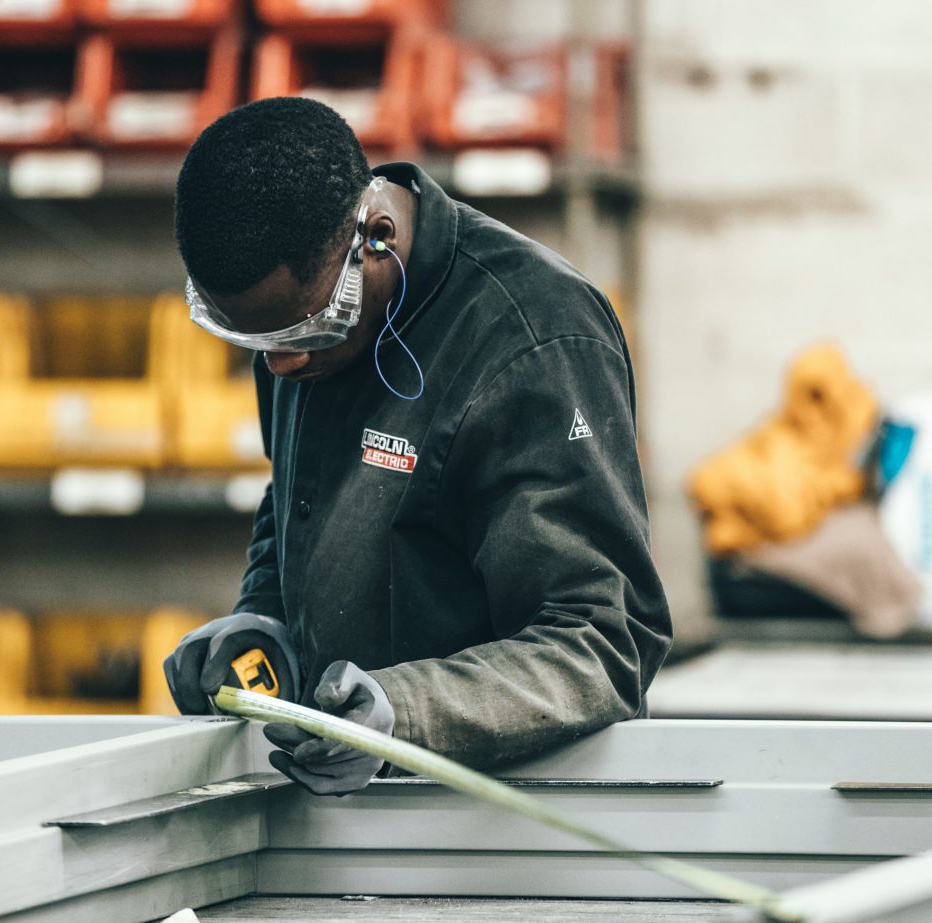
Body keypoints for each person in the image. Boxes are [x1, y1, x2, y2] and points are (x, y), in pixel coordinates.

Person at [164, 96, 671, 796]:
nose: (282, 368)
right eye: (261, 345)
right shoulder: (299, 318)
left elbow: (599, 644)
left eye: (306, 335)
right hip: (346, 817)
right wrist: (265, 622)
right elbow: (297, 495)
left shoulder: (534, 339)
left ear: (374, 235)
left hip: (501, 831)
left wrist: (409, 715)